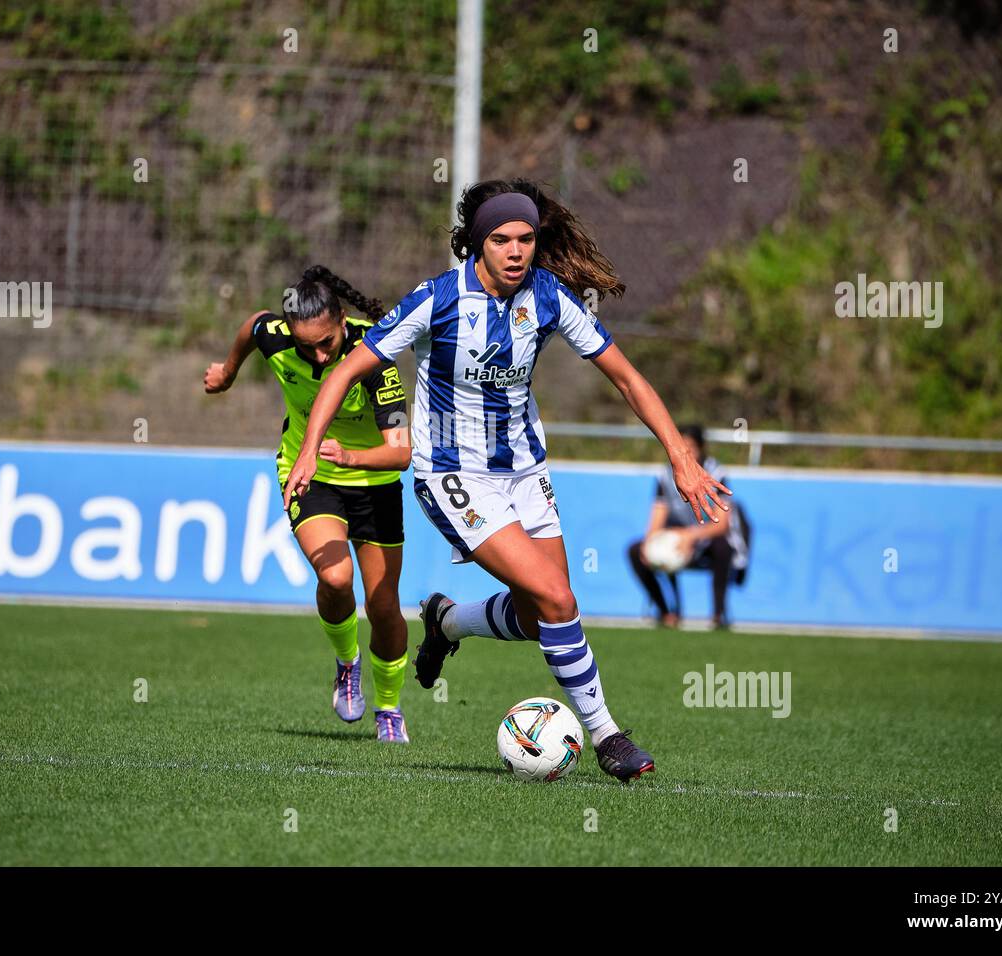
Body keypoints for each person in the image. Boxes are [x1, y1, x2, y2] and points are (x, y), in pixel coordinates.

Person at [282, 179, 731, 782]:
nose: (516, 251)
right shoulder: (436, 300)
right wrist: (310, 450)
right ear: (476, 244)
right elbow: (345, 374)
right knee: (560, 600)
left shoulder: (549, 295)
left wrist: (679, 454)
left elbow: (625, 376)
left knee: (537, 612)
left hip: (525, 470)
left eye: (525, 238)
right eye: (501, 240)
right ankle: (608, 737)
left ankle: (445, 622)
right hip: (451, 473)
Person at [203, 265, 412, 743]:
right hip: (308, 474)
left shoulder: (375, 356)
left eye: (326, 343)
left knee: (383, 606)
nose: (318, 354)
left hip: (376, 481)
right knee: (335, 577)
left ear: (342, 321)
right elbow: (254, 325)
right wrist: (228, 372)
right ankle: (346, 664)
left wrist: (350, 454)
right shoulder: (277, 337)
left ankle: (388, 708)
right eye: (306, 347)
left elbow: (401, 452)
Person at [626, 424, 750, 630]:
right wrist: (651, 542)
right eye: (681, 445)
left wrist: (690, 536)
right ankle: (667, 612)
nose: (686, 451)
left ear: (701, 447)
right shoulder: (666, 475)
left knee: (723, 548)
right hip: (676, 536)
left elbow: (722, 522)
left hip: (705, 538)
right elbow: (658, 516)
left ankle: (718, 615)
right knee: (636, 551)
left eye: (690, 446)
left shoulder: (715, 472)